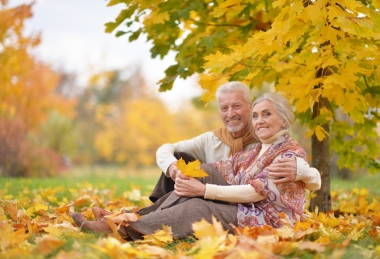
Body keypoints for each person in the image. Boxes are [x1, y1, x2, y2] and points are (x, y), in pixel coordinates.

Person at [72, 92, 321, 241]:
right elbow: (223, 167)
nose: (259, 121)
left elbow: (255, 192)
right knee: (202, 171)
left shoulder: (288, 153)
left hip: (267, 219)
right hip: (248, 206)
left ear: (283, 120)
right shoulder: (257, 149)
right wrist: (190, 176)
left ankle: (124, 228)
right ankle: (128, 217)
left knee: (199, 205)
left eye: (266, 114)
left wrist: (202, 190)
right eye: (255, 116)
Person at [151, 81, 320, 202]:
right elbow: (166, 148)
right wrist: (171, 166)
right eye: (224, 108)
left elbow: (304, 169)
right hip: (205, 192)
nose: (230, 114)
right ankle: (159, 208)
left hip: (238, 199)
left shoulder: (267, 140)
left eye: (236, 106)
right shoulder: (212, 139)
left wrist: (303, 171)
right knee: (180, 157)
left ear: (250, 105)